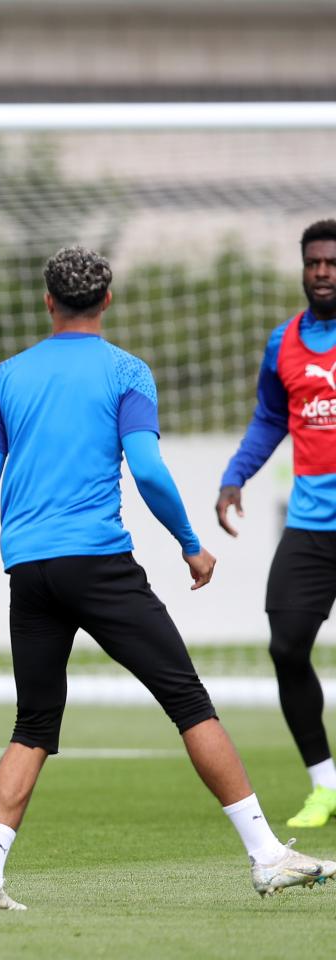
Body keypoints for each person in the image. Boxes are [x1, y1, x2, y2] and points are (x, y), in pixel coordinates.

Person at [0, 247, 335, 909]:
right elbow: (151, 472)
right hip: (98, 564)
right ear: (107, 301)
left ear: (48, 302)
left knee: (34, 723)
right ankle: (266, 854)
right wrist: (191, 544)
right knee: (188, 700)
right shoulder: (125, 372)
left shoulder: (6, 377)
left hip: (29, 571)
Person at [217, 219, 336, 829]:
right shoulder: (283, 343)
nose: (322, 272)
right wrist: (236, 475)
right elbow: (270, 418)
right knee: (286, 645)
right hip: (312, 526)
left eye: (332, 263)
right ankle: (325, 784)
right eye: (313, 262)